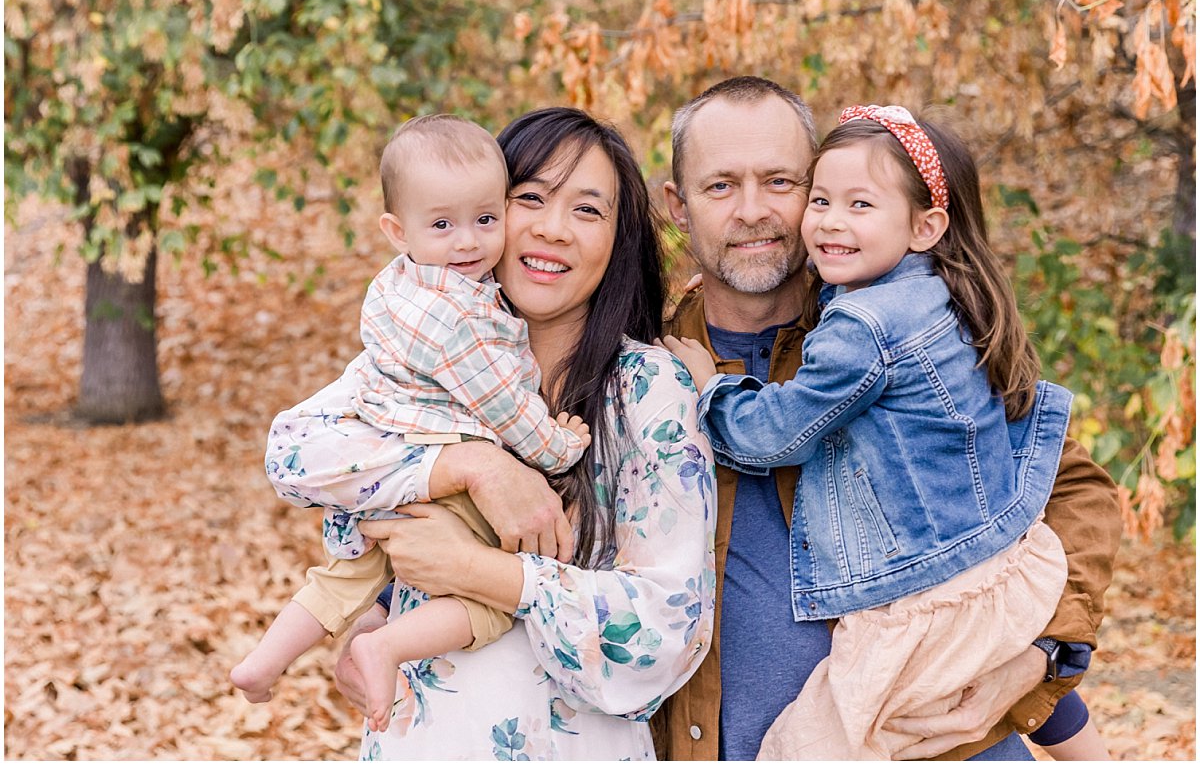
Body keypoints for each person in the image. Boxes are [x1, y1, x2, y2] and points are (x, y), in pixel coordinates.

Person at [654, 77, 1121, 760]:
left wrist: (1039, 660)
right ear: (679, 206)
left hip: (938, 740)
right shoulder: (645, 362)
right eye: (720, 186)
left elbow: (1066, 492)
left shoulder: (900, 332)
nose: (752, 212)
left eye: (781, 182)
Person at [279, 107, 718, 758]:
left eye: (588, 211)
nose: (552, 229)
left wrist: (483, 572)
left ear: (617, 239)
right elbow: (293, 451)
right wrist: (476, 467)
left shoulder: (648, 388)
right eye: (529, 198)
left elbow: (667, 630)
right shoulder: (422, 357)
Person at [230, 115, 597, 731]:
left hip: (390, 472)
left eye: (486, 219)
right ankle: (386, 646)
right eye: (443, 225)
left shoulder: (399, 287)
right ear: (396, 231)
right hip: (444, 464)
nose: (468, 242)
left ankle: (263, 663)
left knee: (345, 578)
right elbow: (506, 407)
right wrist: (560, 447)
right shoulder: (457, 319)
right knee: (493, 604)